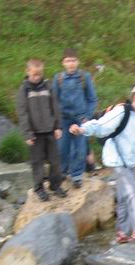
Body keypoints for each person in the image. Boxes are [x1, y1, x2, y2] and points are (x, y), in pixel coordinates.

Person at [70, 83, 135, 245]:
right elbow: (101, 126)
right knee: (133, 190)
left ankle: (122, 232)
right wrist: (82, 130)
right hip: (117, 160)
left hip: (131, 162)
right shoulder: (122, 112)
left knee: (123, 195)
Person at [16, 59, 67, 202]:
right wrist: (27, 133)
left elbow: (55, 107)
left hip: (50, 130)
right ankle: (39, 188)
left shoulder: (48, 86)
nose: (37, 77)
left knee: (55, 160)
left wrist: (58, 126)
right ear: (27, 72)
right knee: (37, 162)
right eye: (34, 74)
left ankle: (55, 185)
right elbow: (22, 112)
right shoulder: (24, 89)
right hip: (34, 133)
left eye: (39, 74)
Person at [53, 48, 97, 188]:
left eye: (73, 61)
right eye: (68, 61)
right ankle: (62, 172)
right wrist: (56, 122)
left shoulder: (85, 77)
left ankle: (77, 176)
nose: (71, 64)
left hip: (80, 119)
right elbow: (54, 101)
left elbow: (92, 99)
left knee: (80, 149)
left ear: (78, 62)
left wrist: (87, 117)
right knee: (62, 147)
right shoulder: (58, 79)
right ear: (63, 63)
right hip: (64, 119)